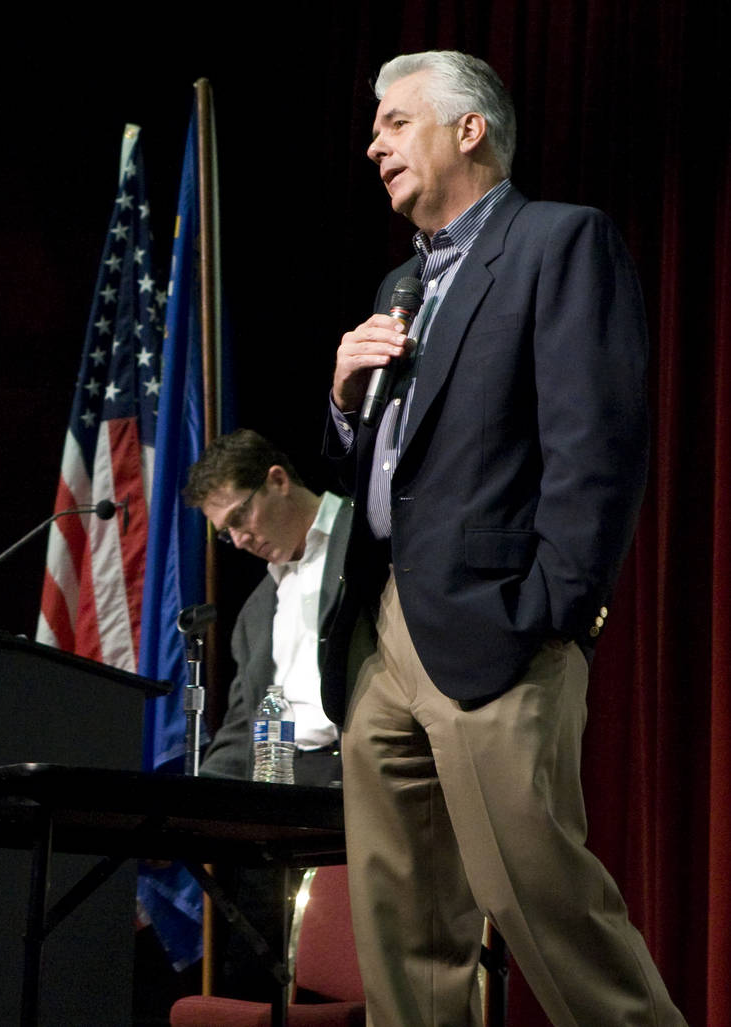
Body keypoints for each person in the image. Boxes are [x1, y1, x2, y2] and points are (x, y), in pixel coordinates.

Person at [323, 51, 685, 1025]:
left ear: (469, 128)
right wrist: (347, 403)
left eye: (396, 122)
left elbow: (596, 443)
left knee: (542, 902)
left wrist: (555, 612)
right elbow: (393, 462)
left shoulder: (559, 242)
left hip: (495, 625)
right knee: (400, 932)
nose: (375, 143)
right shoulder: (401, 280)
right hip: (383, 629)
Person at [181, 428, 351, 999]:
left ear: (277, 480)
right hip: (279, 795)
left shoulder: (370, 541)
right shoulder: (258, 608)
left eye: (238, 518)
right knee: (249, 976)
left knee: (343, 982)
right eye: (225, 531)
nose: (236, 539)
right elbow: (239, 728)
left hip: (357, 784)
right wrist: (190, 810)